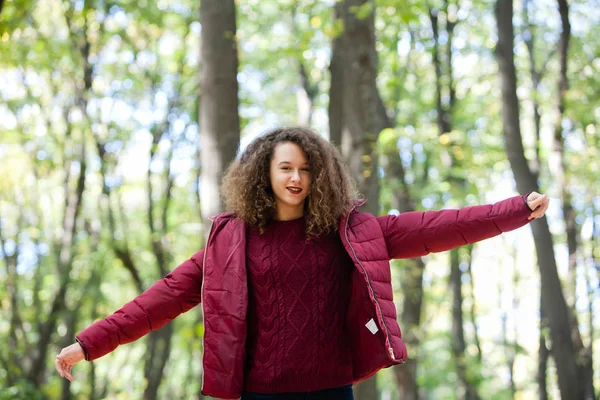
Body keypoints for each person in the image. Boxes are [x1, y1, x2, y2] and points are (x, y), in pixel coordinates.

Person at [55, 126, 549, 400]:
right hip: (259, 395)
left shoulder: (353, 231)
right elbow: (162, 297)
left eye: (306, 169)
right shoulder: (230, 240)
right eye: (285, 168)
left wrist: (515, 210)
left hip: (331, 393)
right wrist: (88, 343)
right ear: (263, 174)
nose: (295, 178)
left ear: (321, 176)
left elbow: (435, 228)